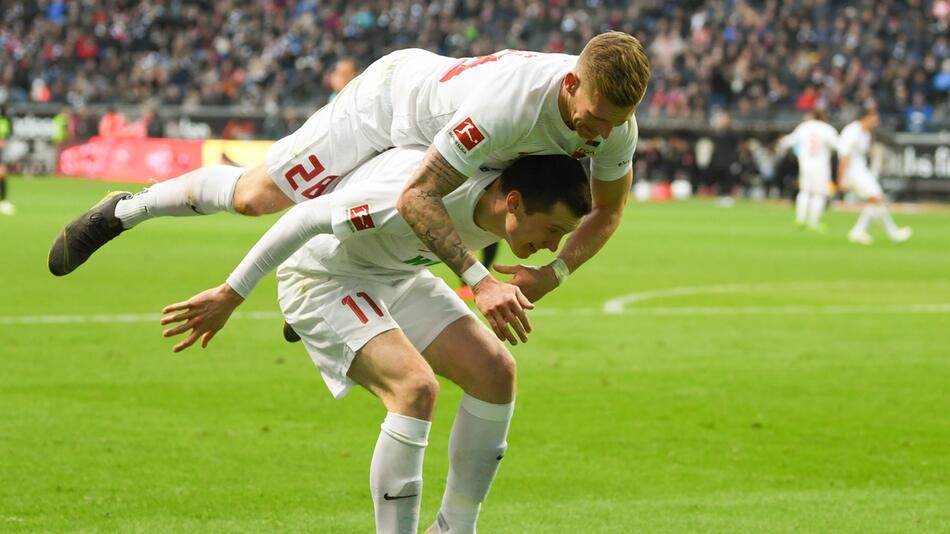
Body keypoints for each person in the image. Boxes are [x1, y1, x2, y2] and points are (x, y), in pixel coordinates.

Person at [48, 31, 650, 345]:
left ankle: (330, 301)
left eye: (613, 123)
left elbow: (606, 211)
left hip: (451, 152)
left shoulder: (614, 128)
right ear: (571, 83)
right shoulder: (507, 107)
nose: (599, 135)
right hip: (388, 106)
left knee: (477, 216)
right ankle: (128, 208)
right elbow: (419, 196)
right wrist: (481, 282)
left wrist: (557, 272)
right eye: (594, 117)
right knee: (259, 197)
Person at [159, 148, 592, 533]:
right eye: (552, 229)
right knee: (415, 389)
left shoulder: (499, 184)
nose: (553, 244)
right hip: (325, 279)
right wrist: (231, 293)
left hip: (397, 276)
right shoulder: (411, 194)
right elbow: (306, 217)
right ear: (512, 201)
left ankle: (455, 528)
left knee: (496, 373)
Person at [838, 104, 912, 245]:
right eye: (874, 117)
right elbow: (844, 156)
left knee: (876, 199)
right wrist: (841, 178)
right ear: (866, 117)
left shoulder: (865, 133)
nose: (876, 120)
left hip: (860, 170)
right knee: (875, 197)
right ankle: (890, 232)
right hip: (853, 172)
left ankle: (862, 231)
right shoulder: (852, 131)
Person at [776, 110, 839, 232]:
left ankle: (800, 219)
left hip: (805, 164)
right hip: (821, 165)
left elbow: (787, 141)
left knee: (805, 191)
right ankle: (813, 222)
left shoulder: (804, 127)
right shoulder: (827, 129)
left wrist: (780, 141)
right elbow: (838, 145)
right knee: (819, 194)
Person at [0, 106, 13, 216]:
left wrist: (4, 142)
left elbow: (7, 136)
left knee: (2, 173)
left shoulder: (5, 121)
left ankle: (3, 201)